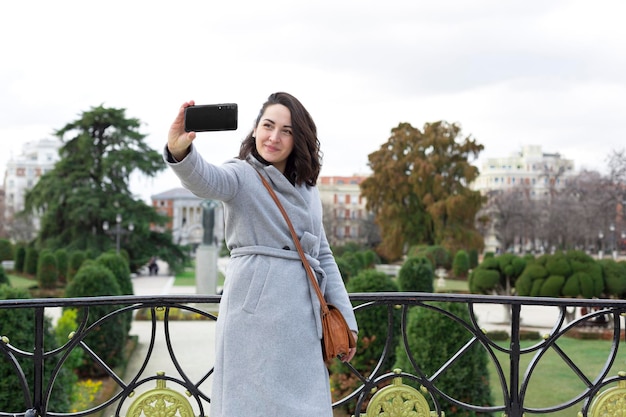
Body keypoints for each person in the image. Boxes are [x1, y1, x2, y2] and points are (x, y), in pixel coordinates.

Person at [165, 92, 358, 416]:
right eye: (268, 125)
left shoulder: (308, 190)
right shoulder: (241, 174)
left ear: (299, 139)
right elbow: (206, 180)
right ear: (255, 130)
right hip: (254, 320)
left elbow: (322, 254)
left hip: (302, 320)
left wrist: (346, 319)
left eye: (287, 130)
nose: (274, 136)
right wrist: (179, 149)